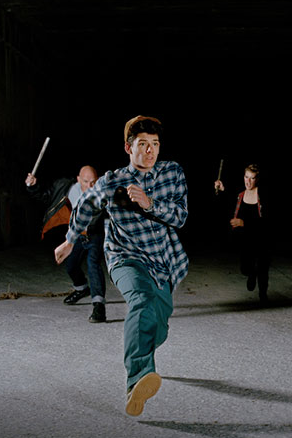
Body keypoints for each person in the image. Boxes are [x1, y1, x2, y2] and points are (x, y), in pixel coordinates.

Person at [54, 115, 189, 417]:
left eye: (155, 144)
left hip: (162, 261)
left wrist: (149, 202)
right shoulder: (112, 181)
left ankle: (145, 345)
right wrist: (70, 240)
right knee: (141, 301)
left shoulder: (172, 173)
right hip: (124, 257)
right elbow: (85, 206)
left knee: (158, 326)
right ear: (129, 148)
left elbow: (180, 216)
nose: (150, 151)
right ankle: (137, 379)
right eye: (143, 144)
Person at [26, 165, 107, 323]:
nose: (90, 186)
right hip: (76, 235)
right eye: (86, 182)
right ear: (78, 180)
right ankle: (81, 288)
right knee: (70, 265)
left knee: (93, 265)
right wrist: (33, 186)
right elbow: (46, 196)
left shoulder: (103, 192)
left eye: (93, 182)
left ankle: (99, 306)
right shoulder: (66, 188)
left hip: (95, 234)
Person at [214, 164, 270, 302]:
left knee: (263, 266)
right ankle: (252, 273)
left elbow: (267, 222)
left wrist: (244, 223)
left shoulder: (263, 195)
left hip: (262, 238)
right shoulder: (240, 195)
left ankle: (263, 295)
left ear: (257, 179)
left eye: (252, 178)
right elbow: (228, 200)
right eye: (246, 177)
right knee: (245, 268)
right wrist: (221, 189)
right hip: (246, 239)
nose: (248, 181)